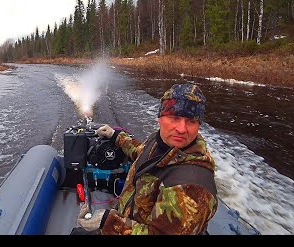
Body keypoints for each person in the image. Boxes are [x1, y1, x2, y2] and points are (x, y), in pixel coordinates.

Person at [76, 83, 217, 235]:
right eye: (174, 118)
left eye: (191, 121)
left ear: (198, 125)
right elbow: (141, 154)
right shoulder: (160, 142)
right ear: (160, 118)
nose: (182, 129)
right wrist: (117, 137)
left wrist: (107, 222)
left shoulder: (192, 186)